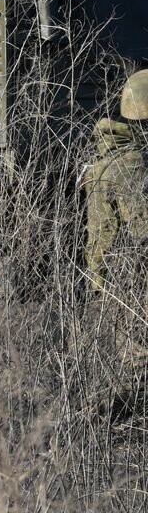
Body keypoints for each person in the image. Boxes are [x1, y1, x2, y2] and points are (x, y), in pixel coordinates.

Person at [82, 69, 148, 417]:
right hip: (132, 276)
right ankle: (115, 410)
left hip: (107, 278)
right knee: (137, 363)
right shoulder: (134, 165)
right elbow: (143, 232)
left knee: (125, 354)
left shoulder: (101, 165)